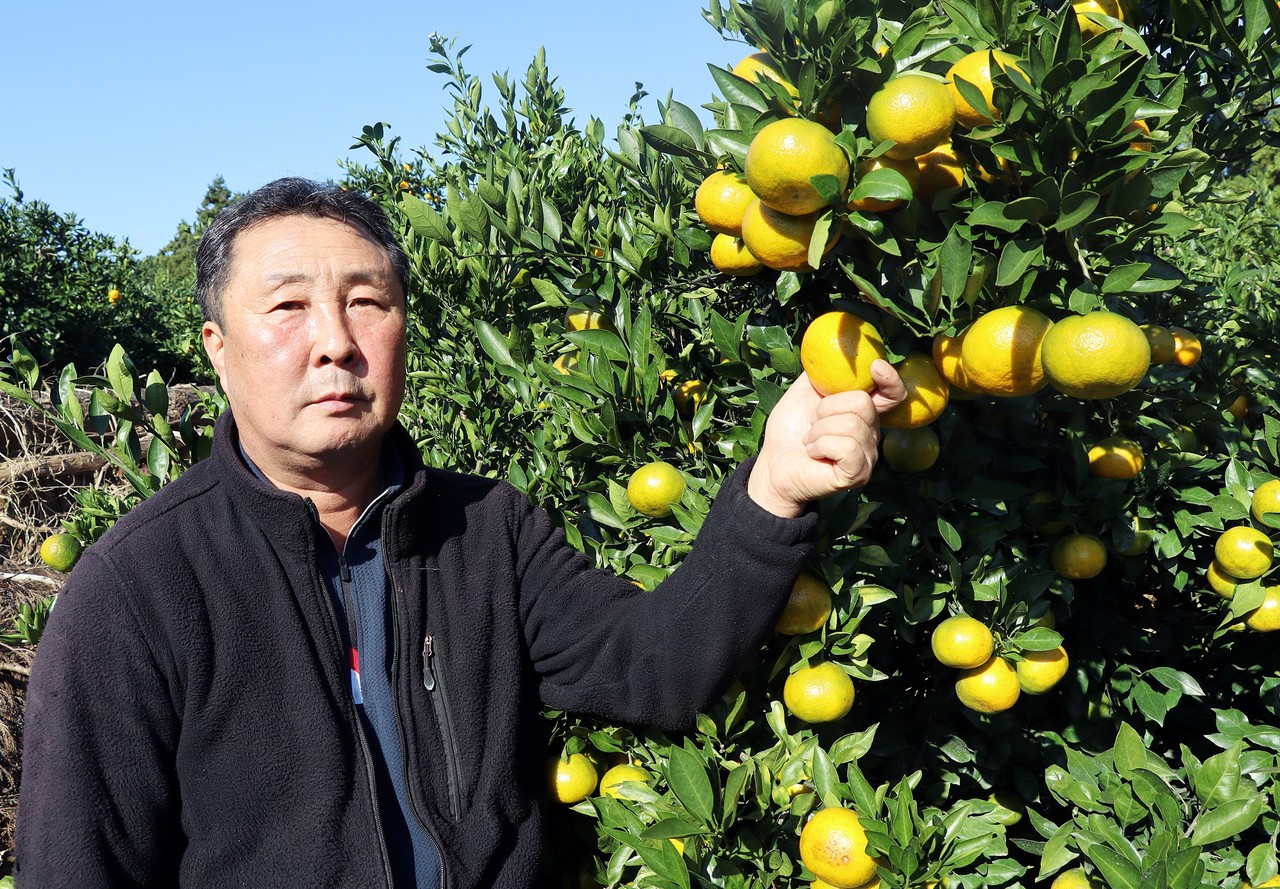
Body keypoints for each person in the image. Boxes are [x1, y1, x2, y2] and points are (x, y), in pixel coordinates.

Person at [15, 178, 905, 888]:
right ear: (216, 345)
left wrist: (773, 490)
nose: (335, 341)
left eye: (367, 301)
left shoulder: (487, 529)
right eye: (287, 308)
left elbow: (652, 670)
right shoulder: (137, 590)